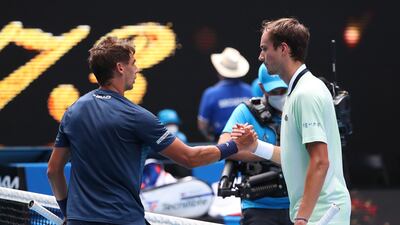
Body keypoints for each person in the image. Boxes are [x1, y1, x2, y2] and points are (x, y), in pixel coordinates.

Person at [46, 36, 257, 225]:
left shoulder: (73, 112)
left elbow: (53, 170)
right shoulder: (137, 116)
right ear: (120, 68)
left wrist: (67, 211)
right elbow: (189, 158)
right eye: (133, 63)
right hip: (123, 219)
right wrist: (234, 146)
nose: (136, 69)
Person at [233, 18, 351, 224]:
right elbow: (294, 157)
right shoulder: (300, 91)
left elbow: (320, 161)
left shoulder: (305, 93)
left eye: (264, 48)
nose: (260, 56)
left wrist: (302, 218)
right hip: (315, 211)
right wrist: (255, 146)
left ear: (283, 49)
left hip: (322, 213)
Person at [218, 63, 292, 225]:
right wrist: (267, 153)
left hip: (300, 204)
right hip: (259, 205)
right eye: (274, 91)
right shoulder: (246, 112)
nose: (280, 95)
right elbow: (224, 146)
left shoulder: (301, 107)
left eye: (284, 90)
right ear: (262, 88)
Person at [198, 47, 252, 141]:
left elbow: (202, 125)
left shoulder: (210, 94)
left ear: (219, 70)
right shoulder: (249, 91)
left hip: (220, 143)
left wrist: (213, 140)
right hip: (247, 142)